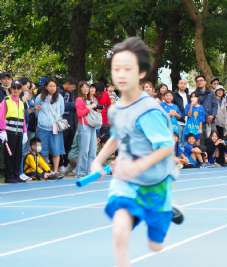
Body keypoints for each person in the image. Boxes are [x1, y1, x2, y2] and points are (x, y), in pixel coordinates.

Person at [90, 37, 183, 267]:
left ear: (141, 73)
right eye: (116, 69)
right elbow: (118, 136)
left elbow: (166, 146)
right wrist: (99, 160)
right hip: (127, 180)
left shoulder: (149, 111)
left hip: (155, 181)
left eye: (127, 69)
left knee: (156, 246)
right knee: (120, 226)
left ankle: (166, 211)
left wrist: (140, 165)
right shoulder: (115, 109)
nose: (121, 74)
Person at [35, 78, 65, 178]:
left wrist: (54, 120)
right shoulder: (39, 97)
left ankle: (55, 171)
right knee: (43, 150)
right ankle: (46, 170)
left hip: (55, 127)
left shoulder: (59, 97)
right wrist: (43, 120)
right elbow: (36, 112)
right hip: (42, 128)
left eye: (54, 86)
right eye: (50, 86)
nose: (52, 88)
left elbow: (61, 111)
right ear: (46, 87)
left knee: (56, 150)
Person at [0, 81, 29, 183]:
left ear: (21, 90)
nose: (15, 90)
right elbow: (1, 116)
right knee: (9, 155)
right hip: (9, 133)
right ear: (10, 89)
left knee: (18, 155)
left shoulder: (21, 103)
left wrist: (25, 132)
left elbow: (23, 119)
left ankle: (16, 175)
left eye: (18, 88)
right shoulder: (6, 101)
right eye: (14, 88)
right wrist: (2, 131)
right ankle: (9, 176)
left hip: (19, 133)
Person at [75, 81, 98, 177]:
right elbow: (80, 114)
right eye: (83, 87)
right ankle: (81, 171)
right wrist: (90, 107)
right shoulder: (79, 99)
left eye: (87, 87)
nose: (86, 89)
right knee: (84, 150)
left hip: (92, 125)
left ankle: (90, 170)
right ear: (80, 89)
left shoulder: (91, 99)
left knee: (93, 150)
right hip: (84, 126)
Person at [60, 78, 77, 173]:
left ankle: (67, 164)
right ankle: (62, 164)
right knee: (63, 143)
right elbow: (63, 105)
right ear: (67, 83)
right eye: (72, 87)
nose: (73, 89)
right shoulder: (61, 92)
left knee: (69, 144)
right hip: (62, 122)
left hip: (71, 121)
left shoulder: (71, 93)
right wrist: (74, 104)